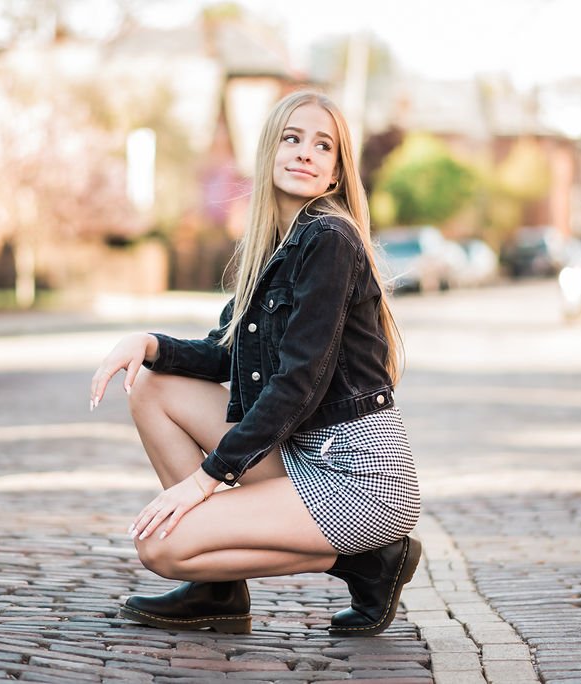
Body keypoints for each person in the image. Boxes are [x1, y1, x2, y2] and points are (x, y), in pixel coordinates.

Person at [89, 89, 421, 637]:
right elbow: (225, 356)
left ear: (337, 173)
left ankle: (369, 561)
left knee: (160, 546)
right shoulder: (273, 246)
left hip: (361, 477)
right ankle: (216, 591)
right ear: (269, 152)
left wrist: (206, 481)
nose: (304, 153)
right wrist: (146, 342)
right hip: (302, 453)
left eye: (323, 146)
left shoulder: (330, 239)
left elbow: (298, 382)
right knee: (152, 386)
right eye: (292, 138)